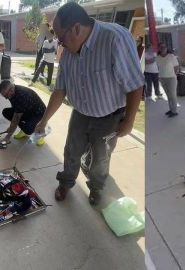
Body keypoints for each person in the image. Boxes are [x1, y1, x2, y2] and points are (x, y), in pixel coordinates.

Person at [34, 2, 144, 205]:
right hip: (80, 113)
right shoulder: (68, 51)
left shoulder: (115, 38)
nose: (59, 43)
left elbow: (135, 84)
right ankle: (66, 182)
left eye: (60, 37)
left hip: (109, 118)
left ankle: (96, 187)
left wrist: (128, 121)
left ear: (76, 28)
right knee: (71, 151)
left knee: (100, 159)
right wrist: (43, 120)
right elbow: (60, 89)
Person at [0, 80, 46, 146]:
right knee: (6, 112)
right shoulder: (12, 92)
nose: (6, 98)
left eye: (6, 96)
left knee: (28, 130)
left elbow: (16, 119)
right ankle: (24, 128)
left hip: (39, 114)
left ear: (11, 90)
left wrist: (7, 137)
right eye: (5, 96)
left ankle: (40, 132)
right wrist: (11, 127)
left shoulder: (21, 95)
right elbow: (16, 110)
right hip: (28, 110)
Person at [156, 43, 179, 117]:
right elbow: (158, 68)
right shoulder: (157, 58)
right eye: (161, 47)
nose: (163, 48)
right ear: (159, 48)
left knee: (172, 95)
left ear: (167, 48)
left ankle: (174, 111)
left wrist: (174, 74)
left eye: (164, 47)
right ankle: (171, 109)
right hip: (162, 78)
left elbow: (176, 66)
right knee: (168, 95)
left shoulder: (171, 56)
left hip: (171, 78)